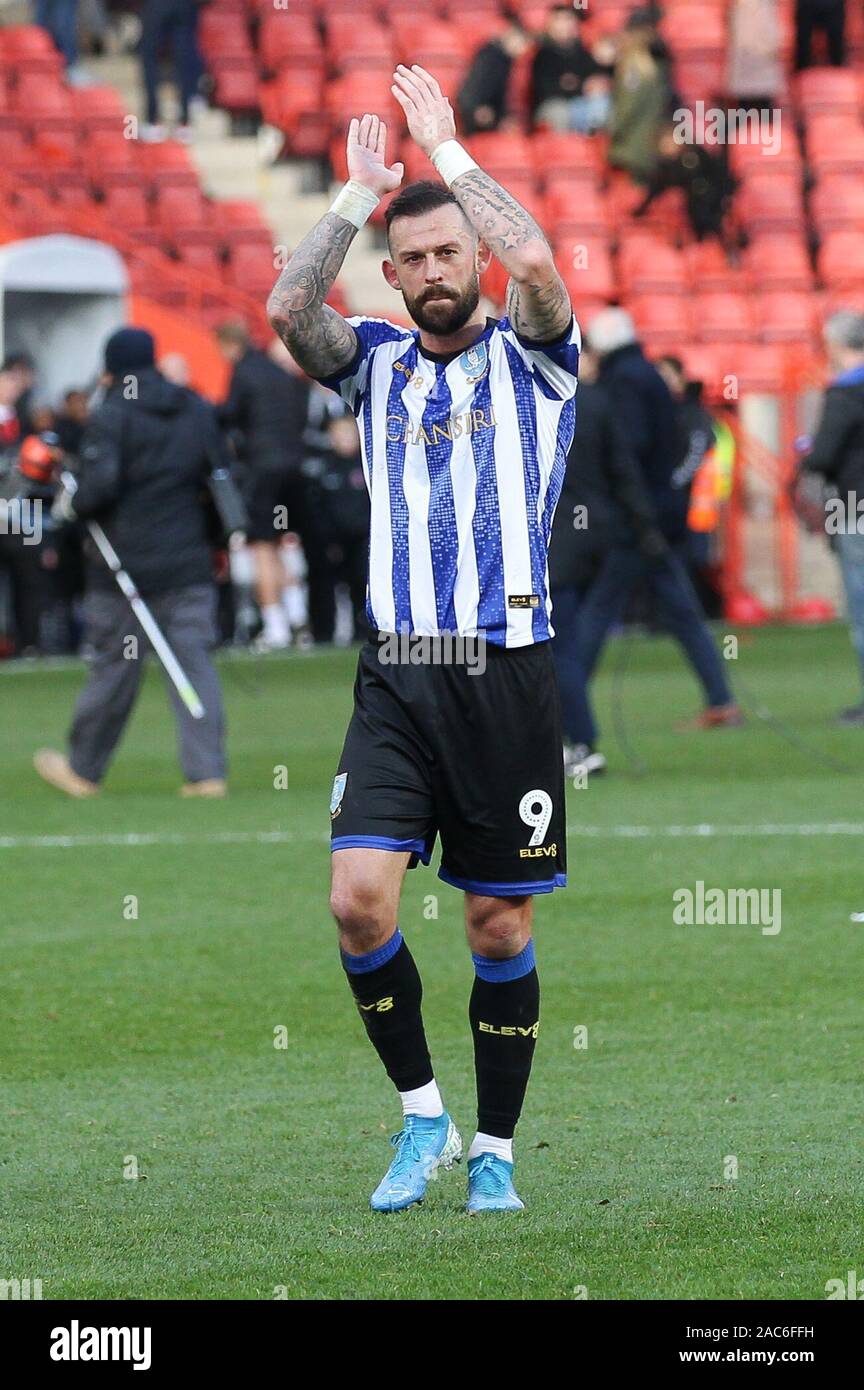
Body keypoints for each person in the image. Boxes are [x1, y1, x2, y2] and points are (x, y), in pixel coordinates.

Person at [267, 67, 580, 1215]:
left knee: (498, 918)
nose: (441, 271)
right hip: (400, 672)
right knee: (358, 900)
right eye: (420, 259)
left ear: (472, 262)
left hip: (507, 672)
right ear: (394, 278)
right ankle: (423, 1120)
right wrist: (356, 196)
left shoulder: (539, 359)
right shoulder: (374, 365)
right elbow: (285, 315)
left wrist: (448, 158)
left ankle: (495, 1146)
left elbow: (539, 265)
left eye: (455, 253)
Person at [33, 327, 230, 797]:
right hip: (186, 561)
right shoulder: (194, 407)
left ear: (112, 366)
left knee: (115, 668)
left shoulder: (113, 412)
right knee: (194, 665)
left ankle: (83, 770)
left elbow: (98, 488)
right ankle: (206, 775)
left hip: (123, 569)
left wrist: (69, 505)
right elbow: (220, 476)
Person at [578, 309, 741, 729]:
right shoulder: (646, 373)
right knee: (681, 611)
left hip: (640, 520)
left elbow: (629, 449)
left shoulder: (624, 381)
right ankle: (721, 700)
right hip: (659, 514)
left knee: (598, 610)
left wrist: (629, 509)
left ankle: (564, 700)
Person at [549, 346, 667, 777]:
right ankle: (571, 737)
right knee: (577, 643)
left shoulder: (530, 400)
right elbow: (624, 471)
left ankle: (580, 742)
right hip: (603, 536)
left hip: (553, 540)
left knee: (558, 648)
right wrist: (646, 529)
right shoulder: (598, 402)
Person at [215, 320, 310, 649]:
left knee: (262, 547)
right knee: (286, 542)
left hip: (263, 469)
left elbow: (229, 415)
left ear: (228, 345)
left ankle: (276, 626)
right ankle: (299, 621)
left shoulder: (243, 372)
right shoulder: (281, 373)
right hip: (294, 467)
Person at [799, 311, 864, 725]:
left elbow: (822, 456)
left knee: (860, 606)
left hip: (854, 507)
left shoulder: (843, 394)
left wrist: (806, 451)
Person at [633, 124, 737, 244]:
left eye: (670, 142)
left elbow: (717, 178)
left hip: (708, 201)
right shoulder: (665, 168)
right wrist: (639, 212)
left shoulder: (696, 156)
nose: (667, 146)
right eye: (664, 143)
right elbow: (655, 191)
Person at [608, 8, 672, 186]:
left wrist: (611, 132)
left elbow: (626, 108)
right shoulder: (656, 66)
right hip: (648, 147)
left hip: (632, 149)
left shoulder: (634, 67)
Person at [531, 4, 613, 134]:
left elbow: (595, 78)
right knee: (561, 112)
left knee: (601, 102)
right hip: (552, 105)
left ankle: (594, 147)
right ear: (550, 24)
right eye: (558, 19)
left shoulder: (582, 51)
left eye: (568, 19)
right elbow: (544, 90)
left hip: (579, 102)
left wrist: (607, 64)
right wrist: (577, 86)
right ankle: (563, 152)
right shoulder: (542, 53)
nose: (563, 24)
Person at [456, 18, 532, 135]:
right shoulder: (490, 56)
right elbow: (472, 87)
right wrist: (476, 109)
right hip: (475, 115)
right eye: (522, 43)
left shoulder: (505, 60)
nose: (523, 50)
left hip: (489, 114)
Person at [139, 0, 201, 141]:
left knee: (151, 58)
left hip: (158, 5)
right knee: (184, 58)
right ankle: (184, 123)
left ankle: (153, 121)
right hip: (184, 5)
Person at [795, 0, 846, 69]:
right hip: (807, 6)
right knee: (803, 44)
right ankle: (802, 66)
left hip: (833, 7)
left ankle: (837, 65)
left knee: (837, 46)